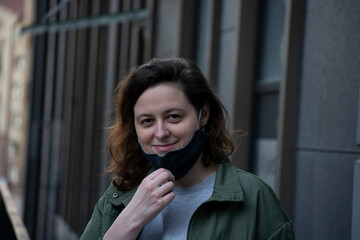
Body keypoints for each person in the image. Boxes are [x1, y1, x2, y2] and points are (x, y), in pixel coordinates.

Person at [80, 58, 295, 240]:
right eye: (147, 121)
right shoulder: (119, 196)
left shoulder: (253, 197)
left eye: (174, 116)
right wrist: (129, 221)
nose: (161, 132)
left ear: (204, 115)